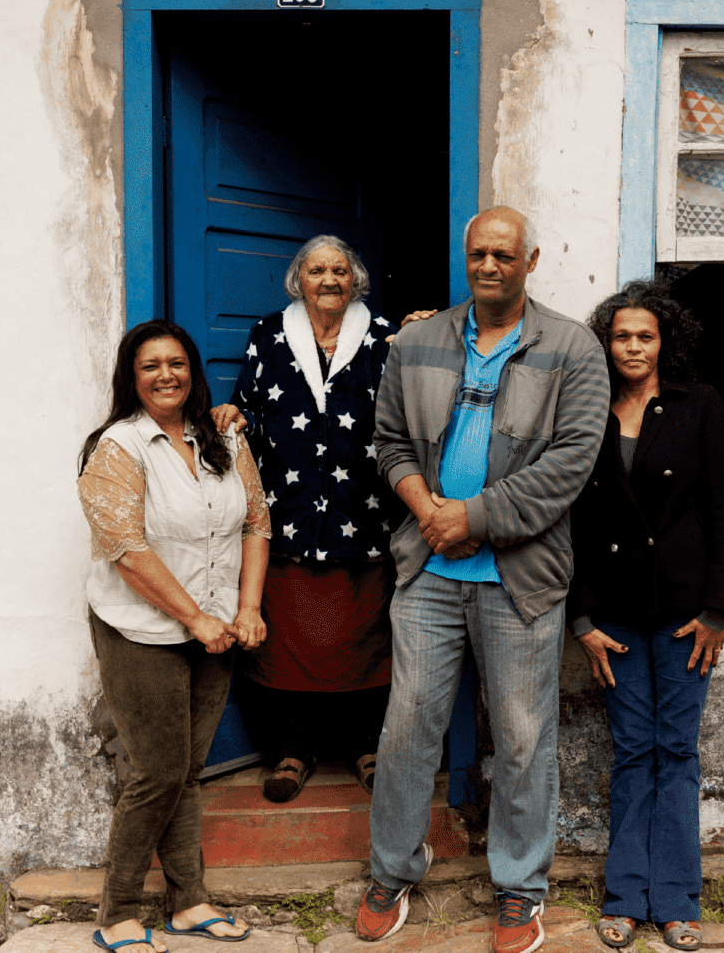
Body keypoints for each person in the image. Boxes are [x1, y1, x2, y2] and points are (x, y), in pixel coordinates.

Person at [354, 207, 608, 953]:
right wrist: (427, 509)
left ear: (531, 258)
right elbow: (390, 440)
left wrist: (475, 516)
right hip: (429, 569)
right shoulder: (421, 341)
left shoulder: (573, 347)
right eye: (477, 254)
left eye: (503, 253)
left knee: (525, 737)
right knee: (408, 725)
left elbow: (571, 463)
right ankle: (392, 868)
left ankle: (520, 889)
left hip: (520, 576)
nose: (488, 265)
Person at [568, 281, 724, 952]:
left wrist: (718, 611)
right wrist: (581, 615)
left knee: (675, 750)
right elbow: (574, 524)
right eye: (622, 336)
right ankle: (624, 896)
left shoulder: (698, 406)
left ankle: (676, 900)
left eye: (645, 335)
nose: (634, 346)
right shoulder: (585, 411)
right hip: (614, 617)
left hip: (684, 617)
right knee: (631, 750)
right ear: (606, 344)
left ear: (663, 340)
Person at [76, 319, 268, 953]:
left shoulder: (224, 439)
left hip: (215, 629)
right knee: (156, 773)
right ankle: (117, 912)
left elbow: (256, 526)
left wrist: (247, 609)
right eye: (151, 365)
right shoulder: (117, 448)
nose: (166, 375)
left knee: (186, 772)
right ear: (131, 378)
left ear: (193, 371)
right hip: (143, 630)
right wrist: (194, 617)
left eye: (177, 363)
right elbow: (127, 550)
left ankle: (189, 903)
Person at [208, 236, 404, 803]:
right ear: (300, 279)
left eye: (340, 270)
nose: (329, 280)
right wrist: (232, 412)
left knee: (368, 640)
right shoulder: (270, 334)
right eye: (317, 270)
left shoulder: (384, 334)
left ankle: (368, 746)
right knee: (289, 641)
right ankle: (293, 750)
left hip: (363, 510)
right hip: (291, 514)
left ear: (354, 279)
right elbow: (249, 400)